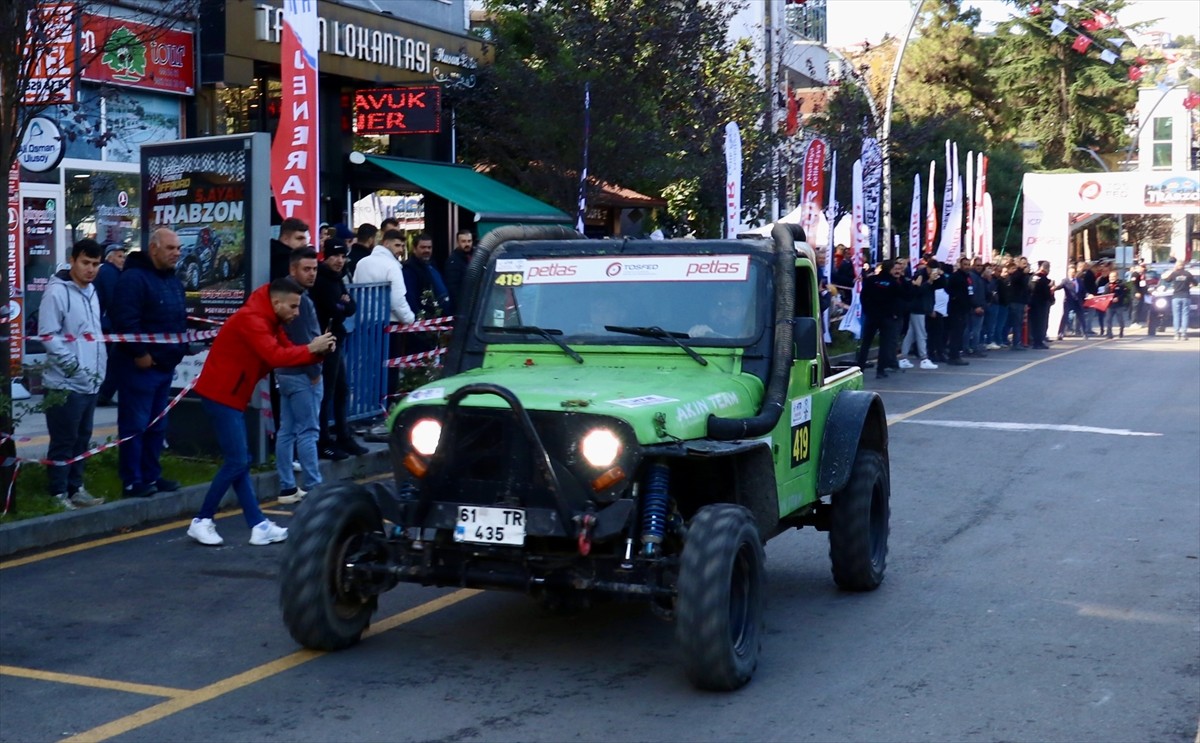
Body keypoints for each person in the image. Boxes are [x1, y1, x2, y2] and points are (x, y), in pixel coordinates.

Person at [186, 277, 336, 546]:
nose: (296, 312)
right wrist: (312, 348)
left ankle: (258, 524)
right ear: (276, 303)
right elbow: (276, 357)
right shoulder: (253, 320)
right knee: (238, 461)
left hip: (228, 395)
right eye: (292, 307)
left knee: (240, 462)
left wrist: (318, 353)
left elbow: (287, 351)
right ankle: (202, 520)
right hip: (221, 395)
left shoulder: (268, 318)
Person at [110, 229, 188, 499]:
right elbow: (125, 320)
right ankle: (133, 481)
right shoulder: (134, 279)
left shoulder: (171, 280)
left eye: (178, 248)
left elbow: (177, 318)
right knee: (136, 425)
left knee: (157, 426)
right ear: (153, 249)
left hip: (164, 367)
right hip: (140, 367)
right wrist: (140, 353)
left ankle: (151, 475)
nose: (176, 253)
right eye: (170, 248)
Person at [39, 239, 107, 511]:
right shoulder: (56, 293)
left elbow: (94, 333)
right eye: (85, 263)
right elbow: (48, 336)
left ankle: (75, 488)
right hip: (65, 384)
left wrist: (98, 371)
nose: (91, 269)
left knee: (82, 439)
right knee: (64, 441)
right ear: (72, 261)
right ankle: (57, 494)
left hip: (90, 382)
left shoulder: (92, 291)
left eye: (95, 264)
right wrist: (75, 369)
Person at [275, 248, 326, 500]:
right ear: (293, 269)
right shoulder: (301, 301)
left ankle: (286, 485)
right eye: (307, 269)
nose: (312, 274)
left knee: (287, 429)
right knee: (308, 430)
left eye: (315, 268)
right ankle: (314, 486)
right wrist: (315, 371)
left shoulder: (282, 297)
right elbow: (306, 340)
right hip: (303, 372)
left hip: (284, 371)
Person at [311, 241, 366, 457]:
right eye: (335, 256)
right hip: (325, 341)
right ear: (326, 256)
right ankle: (324, 440)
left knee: (341, 390)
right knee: (328, 392)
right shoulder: (322, 280)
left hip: (336, 338)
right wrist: (342, 305)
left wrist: (342, 305)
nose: (339, 260)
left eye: (343, 256)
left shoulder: (337, 278)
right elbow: (336, 308)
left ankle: (343, 436)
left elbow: (350, 306)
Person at [94, 244, 125, 407]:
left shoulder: (110, 272)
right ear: (109, 257)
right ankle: (104, 394)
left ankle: (104, 394)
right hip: (107, 326)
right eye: (119, 256)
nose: (123, 260)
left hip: (106, 324)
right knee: (113, 362)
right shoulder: (109, 272)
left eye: (123, 256)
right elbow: (114, 300)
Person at [898, 260, 942, 370]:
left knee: (911, 334)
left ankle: (903, 357)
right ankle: (924, 358)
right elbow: (917, 291)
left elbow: (941, 285)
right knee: (921, 333)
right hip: (918, 308)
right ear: (928, 268)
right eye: (932, 269)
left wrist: (940, 276)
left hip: (922, 308)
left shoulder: (928, 276)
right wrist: (929, 281)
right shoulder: (920, 276)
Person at [403, 233, 452, 320]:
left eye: (429, 247)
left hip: (438, 317)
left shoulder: (432, 265)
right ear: (414, 249)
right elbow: (410, 297)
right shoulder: (409, 269)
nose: (427, 250)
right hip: (424, 320)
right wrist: (419, 317)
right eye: (423, 247)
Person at [944, 256, 972, 366]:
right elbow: (948, 288)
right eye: (965, 264)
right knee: (956, 333)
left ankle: (956, 354)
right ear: (960, 265)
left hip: (964, 308)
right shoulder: (956, 276)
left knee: (960, 333)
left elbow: (969, 291)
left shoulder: (967, 277)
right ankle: (953, 356)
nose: (967, 267)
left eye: (968, 264)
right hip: (956, 309)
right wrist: (955, 297)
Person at [1161, 259, 1197, 340]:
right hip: (1186, 296)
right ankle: (1184, 334)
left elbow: (1167, 280)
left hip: (1176, 296)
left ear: (1177, 266)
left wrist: (1173, 270)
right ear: (1184, 265)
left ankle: (1176, 334)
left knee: (1176, 315)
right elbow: (1195, 283)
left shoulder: (1174, 274)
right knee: (1185, 315)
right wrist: (1190, 284)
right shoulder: (1188, 274)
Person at [445, 229, 475, 310]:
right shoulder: (453, 261)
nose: (467, 244)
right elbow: (453, 288)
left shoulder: (476, 256)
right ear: (458, 242)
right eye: (464, 241)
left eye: (469, 241)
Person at [1027, 261, 1054, 349]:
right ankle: (1037, 342)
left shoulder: (1039, 277)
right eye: (1047, 268)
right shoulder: (1039, 277)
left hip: (1039, 303)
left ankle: (1039, 341)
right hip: (1039, 304)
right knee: (1038, 323)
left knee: (1040, 323)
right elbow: (1037, 290)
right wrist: (1048, 287)